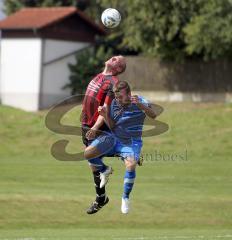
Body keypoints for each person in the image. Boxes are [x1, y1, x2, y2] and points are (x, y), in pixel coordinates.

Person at [84, 81, 156, 214]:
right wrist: (105, 115)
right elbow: (113, 126)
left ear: (129, 94)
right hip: (113, 138)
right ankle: (105, 170)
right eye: (116, 97)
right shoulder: (115, 104)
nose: (118, 100)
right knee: (88, 153)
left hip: (131, 142)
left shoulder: (140, 100)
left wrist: (141, 106)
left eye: (120, 97)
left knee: (131, 164)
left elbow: (153, 115)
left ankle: (125, 197)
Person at [81, 56, 126, 214]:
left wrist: (94, 126)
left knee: (90, 155)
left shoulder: (113, 83)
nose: (113, 58)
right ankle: (101, 198)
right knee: (93, 163)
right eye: (114, 57)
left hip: (97, 127)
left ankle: (127, 153)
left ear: (118, 69)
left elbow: (105, 109)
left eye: (117, 60)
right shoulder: (99, 76)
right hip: (86, 124)